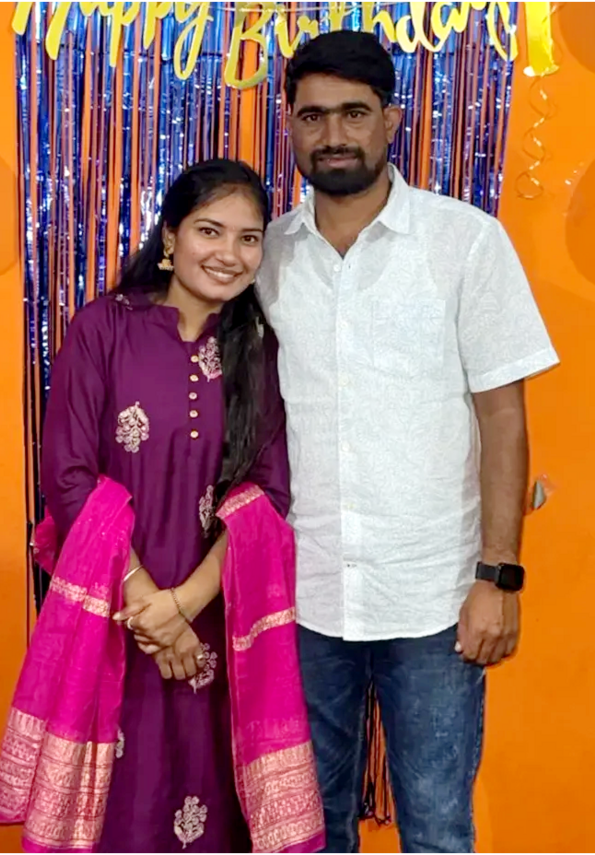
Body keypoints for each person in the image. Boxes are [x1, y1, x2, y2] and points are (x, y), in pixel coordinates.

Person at [256, 30, 559, 855]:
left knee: (436, 827)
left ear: (392, 120)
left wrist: (499, 576)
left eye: (354, 113)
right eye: (313, 116)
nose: (333, 135)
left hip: (434, 596)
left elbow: (503, 418)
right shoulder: (266, 256)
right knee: (309, 829)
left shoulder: (465, 242)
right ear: (289, 123)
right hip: (302, 595)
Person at [40, 159, 290, 854]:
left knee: (208, 796)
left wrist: (183, 607)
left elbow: (267, 493)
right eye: (210, 230)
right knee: (121, 800)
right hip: (112, 611)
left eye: (248, 238)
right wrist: (149, 604)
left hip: (217, 620)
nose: (229, 253)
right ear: (171, 235)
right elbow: (68, 474)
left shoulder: (260, 349)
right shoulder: (103, 327)